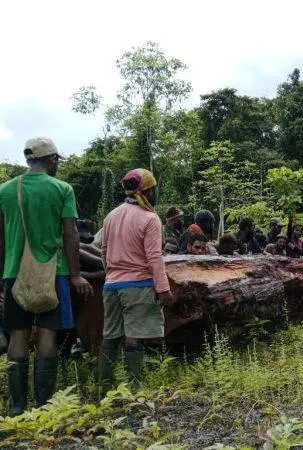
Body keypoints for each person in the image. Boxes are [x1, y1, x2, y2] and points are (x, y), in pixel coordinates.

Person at [0, 137, 92, 416]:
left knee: (18, 335)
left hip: (14, 274)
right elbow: (70, 233)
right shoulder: (62, 189)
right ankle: (44, 405)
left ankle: (17, 406)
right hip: (54, 273)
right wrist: (76, 275)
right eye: (56, 161)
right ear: (51, 159)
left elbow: (0, 238)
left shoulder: (4, 191)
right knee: (47, 333)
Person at [99, 168, 173, 389]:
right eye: (154, 190)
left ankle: (105, 387)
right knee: (134, 337)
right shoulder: (150, 218)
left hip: (111, 285)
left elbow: (103, 251)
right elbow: (154, 256)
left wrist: (111, 275)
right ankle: (134, 387)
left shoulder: (111, 216)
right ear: (147, 192)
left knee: (110, 336)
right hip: (138, 285)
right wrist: (163, 288)